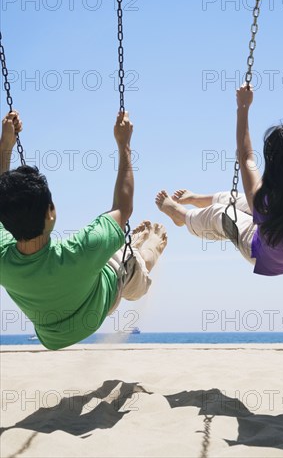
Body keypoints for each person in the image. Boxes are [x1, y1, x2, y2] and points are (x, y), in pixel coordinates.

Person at [156, 43, 283, 276]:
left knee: (222, 214)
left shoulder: (265, 204)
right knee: (235, 198)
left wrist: (242, 107)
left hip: (263, 255)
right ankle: (198, 198)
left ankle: (181, 216)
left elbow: (246, 159)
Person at [0, 111, 167, 349]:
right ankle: (145, 248)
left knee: (105, 251)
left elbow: (2, 199)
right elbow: (123, 207)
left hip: (51, 337)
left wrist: (5, 145)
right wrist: (124, 145)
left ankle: (128, 245)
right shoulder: (81, 250)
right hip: (100, 303)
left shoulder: (2, 257)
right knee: (133, 270)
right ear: (50, 212)